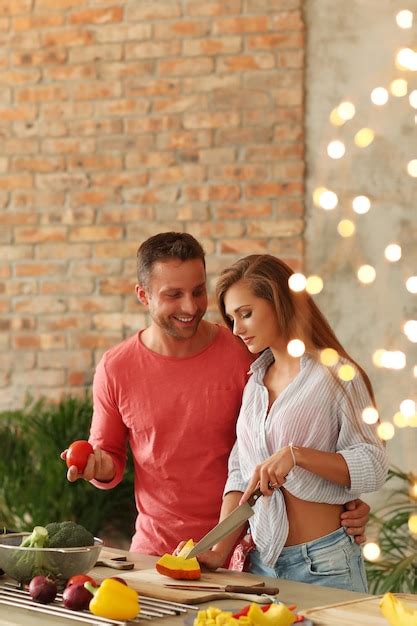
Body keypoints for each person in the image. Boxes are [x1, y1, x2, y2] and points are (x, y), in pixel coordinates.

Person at [62, 232, 371, 559]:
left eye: (198, 291)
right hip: (155, 550)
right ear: (143, 295)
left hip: (245, 551)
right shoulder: (116, 367)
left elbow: (310, 432)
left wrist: (344, 502)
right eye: (173, 294)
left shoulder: (246, 351)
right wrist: (98, 468)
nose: (190, 307)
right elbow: (108, 455)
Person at [189, 254, 388, 590]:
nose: (237, 330)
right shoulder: (254, 382)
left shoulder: (335, 374)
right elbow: (240, 471)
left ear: (278, 302)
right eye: (231, 319)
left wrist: (297, 455)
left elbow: (374, 463)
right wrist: (219, 548)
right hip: (261, 566)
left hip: (325, 565)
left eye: (246, 314)